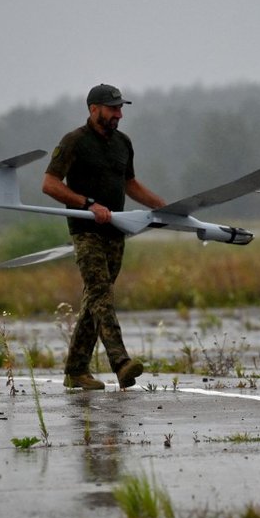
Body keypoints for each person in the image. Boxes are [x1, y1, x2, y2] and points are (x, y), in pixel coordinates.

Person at [41, 84, 166, 391]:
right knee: (100, 293)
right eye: (112, 109)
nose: (118, 115)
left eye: (120, 109)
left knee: (95, 299)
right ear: (93, 109)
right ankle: (121, 362)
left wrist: (162, 207)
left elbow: (129, 183)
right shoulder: (74, 142)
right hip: (86, 231)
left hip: (116, 231)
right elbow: (49, 184)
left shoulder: (123, 142)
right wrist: (87, 204)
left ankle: (75, 370)